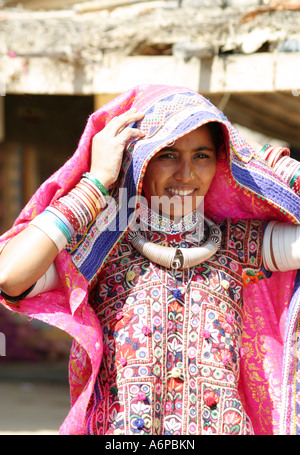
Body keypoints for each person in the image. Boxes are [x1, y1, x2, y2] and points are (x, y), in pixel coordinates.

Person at [0, 84, 299, 435]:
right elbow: (10, 276)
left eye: (201, 155)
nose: (186, 174)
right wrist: (95, 183)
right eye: (168, 154)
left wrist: (286, 175)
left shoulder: (238, 244)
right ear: (138, 159)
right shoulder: (101, 246)